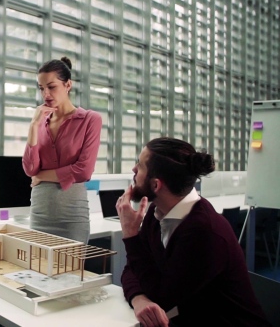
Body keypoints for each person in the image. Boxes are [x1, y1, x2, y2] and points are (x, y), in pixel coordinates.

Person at [116, 137, 271, 327]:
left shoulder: (203, 232)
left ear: (156, 185)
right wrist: (139, 298)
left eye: (139, 166)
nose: (133, 170)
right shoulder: (156, 215)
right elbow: (132, 268)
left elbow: (162, 297)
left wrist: (131, 235)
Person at [22, 56, 102, 244]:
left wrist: (42, 176)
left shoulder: (90, 119)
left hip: (72, 215)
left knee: (72, 271)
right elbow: (29, 169)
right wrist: (34, 125)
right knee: (37, 271)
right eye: (41, 88)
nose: (46, 94)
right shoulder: (40, 123)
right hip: (40, 212)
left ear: (68, 85)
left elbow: (83, 171)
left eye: (51, 87)